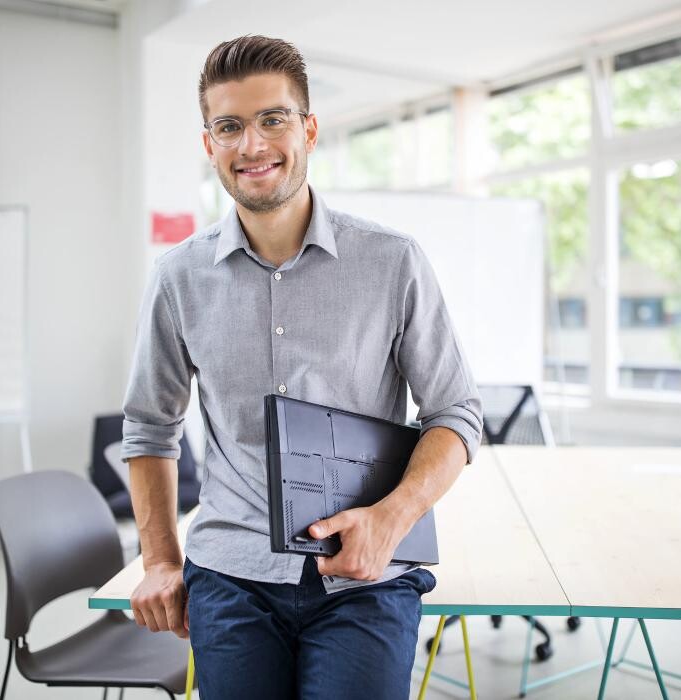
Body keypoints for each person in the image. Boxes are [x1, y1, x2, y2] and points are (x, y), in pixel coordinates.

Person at [121, 34, 482, 700]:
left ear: (309, 129)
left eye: (273, 119)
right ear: (210, 146)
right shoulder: (178, 278)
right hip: (232, 573)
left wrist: (393, 518)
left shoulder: (392, 262)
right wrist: (160, 559)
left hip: (366, 575)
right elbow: (149, 429)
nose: (251, 146)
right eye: (229, 127)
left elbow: (456, 413)